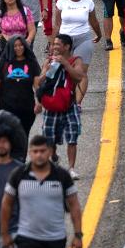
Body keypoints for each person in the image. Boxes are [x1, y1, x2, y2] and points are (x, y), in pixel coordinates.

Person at [39, 34, 89, 169]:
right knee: (49, 139)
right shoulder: (49, 61)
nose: (54, 47)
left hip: (69, 105)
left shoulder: (76, 60)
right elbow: (39, 82)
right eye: (53, 44)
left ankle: (71, 168)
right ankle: (54, 156)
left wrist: (66, 64)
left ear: (66, 47)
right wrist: (46, 72)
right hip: (52, 105)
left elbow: (79, 77)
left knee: (72, 138)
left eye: (57, 44)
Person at [0, 31, 42, 138]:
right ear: (10, 47)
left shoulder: (31, 62)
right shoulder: (5, 61)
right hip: (6, 106)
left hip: (27, 108)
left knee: (23, 137)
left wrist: (39, 101)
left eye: (21, 45)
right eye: (15, 46)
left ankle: (21, 155)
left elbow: (37, 84)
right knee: (8, 137)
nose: (18, 48)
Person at [52, 0, 102, 69]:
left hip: (83, 39)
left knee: (80, 72)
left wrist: (99, 34)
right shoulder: (61, 2)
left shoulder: (88, 2)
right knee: (63, 70)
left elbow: (94, 21)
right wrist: (52, 44)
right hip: (64, 40)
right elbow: (57, 25)